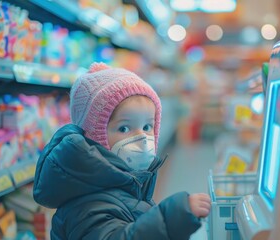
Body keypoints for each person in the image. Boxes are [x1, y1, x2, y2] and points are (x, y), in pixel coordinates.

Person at [33, 62, 211, 239]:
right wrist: (173, 216)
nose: (142, 137)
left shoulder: (121, 183)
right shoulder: (88, 204)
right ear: (96, 136)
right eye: (124, 128)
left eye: (147, 126)